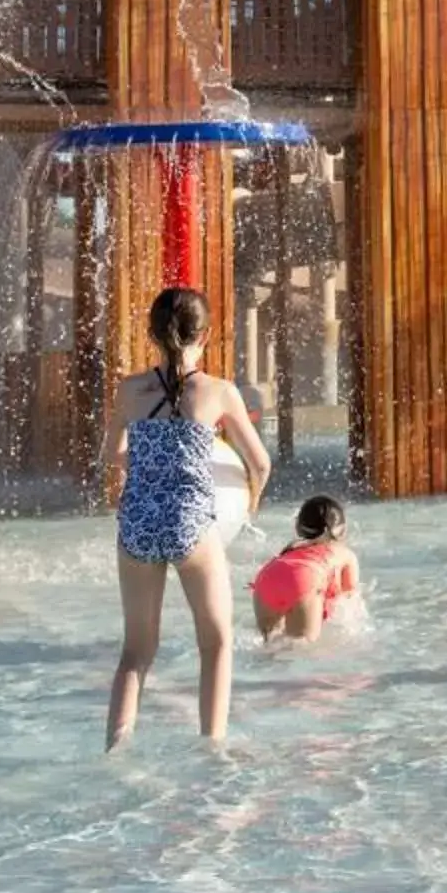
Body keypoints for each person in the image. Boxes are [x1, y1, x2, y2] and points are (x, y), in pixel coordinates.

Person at [101, 286, 270, 750]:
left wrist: (149, 471)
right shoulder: (220, 392)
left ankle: (115, 748)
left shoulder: (130, 390)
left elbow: (111, 454)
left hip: (136, 524)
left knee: (135, 653)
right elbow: (260, 463)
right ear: (207, 335)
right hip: (192, 526)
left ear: (152, 334)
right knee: (215, 644)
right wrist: (251, 502)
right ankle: (211, 748)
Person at [251, 495, 362, 642]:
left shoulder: (290, 549)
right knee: (301, 651)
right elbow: (349, 603)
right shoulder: (344, 554)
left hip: (267, 577)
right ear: (343, 529)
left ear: (299, 528)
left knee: (270, 647)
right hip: (304, 578)